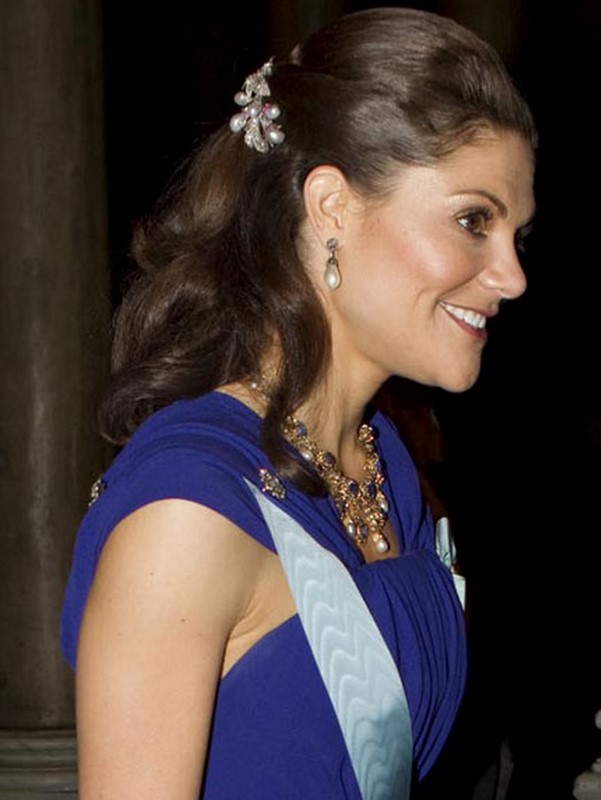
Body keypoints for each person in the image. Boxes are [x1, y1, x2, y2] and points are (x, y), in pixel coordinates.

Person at [60, 7, 536, 798]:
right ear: (331, 207)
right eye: (471, 220)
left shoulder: (382, 464)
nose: (511, 276)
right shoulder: (190, 511)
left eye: (517, 235)